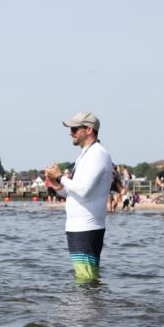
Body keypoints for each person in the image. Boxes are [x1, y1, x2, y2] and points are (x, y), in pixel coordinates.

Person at [44, 111, 114, 282]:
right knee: (85, 279)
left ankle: (90, 301)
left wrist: (61, 176)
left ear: (89, 129)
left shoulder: (98, 153)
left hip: (87, 227)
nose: (71, 133)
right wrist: (55, 183)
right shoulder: (86, 154)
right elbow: (72, 192)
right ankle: (90, 300)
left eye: (75, 129)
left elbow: (83, 190)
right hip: (77, 227)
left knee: (86, 280)